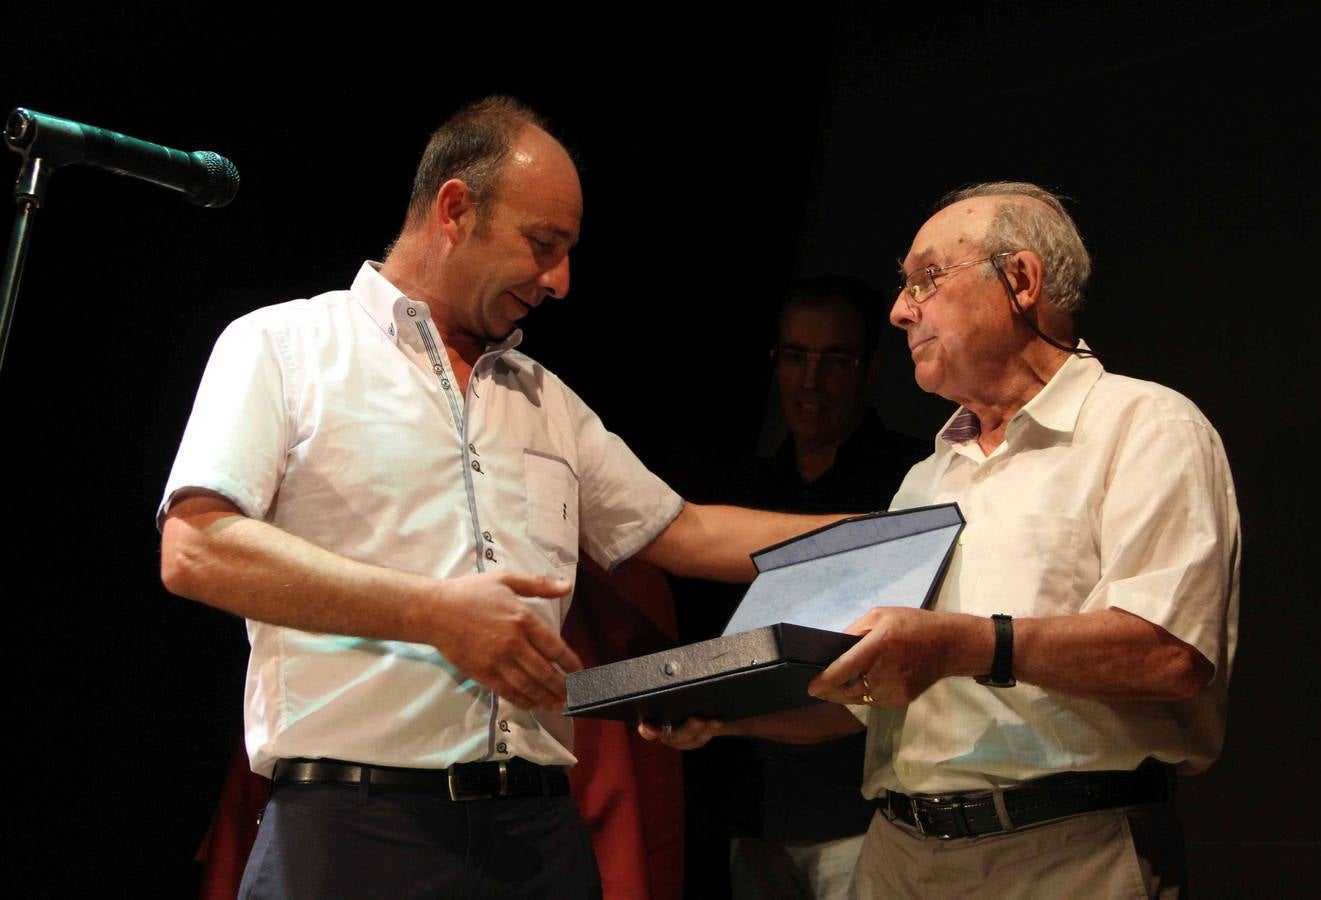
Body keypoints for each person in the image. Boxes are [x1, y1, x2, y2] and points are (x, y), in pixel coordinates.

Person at [158, 96, 837, 900]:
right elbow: (195, 547)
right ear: (454, 209)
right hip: (353, 834)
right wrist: (433, 613)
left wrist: (898, 532)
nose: (561, 280)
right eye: (543, 245)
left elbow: (685, 531)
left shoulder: (546, 399)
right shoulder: (284, 346)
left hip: (539, 839)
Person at [647, 182, 1240, 899]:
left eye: (926, 278)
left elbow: (1169, 652)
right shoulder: (928, 479)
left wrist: (961, 644)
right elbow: (863, 701)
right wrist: (727, 715)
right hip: (897, 853)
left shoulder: (1145, 427)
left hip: (1061, 855)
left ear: (1020, 281)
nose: (900, 310)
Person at [697, 275, 928, 900]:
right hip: (751, 804)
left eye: (835, 360)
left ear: (871, 368)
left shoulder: (912, 483)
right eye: (796, 357)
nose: (811, 380)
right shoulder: (743, 488)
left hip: (857, 805)